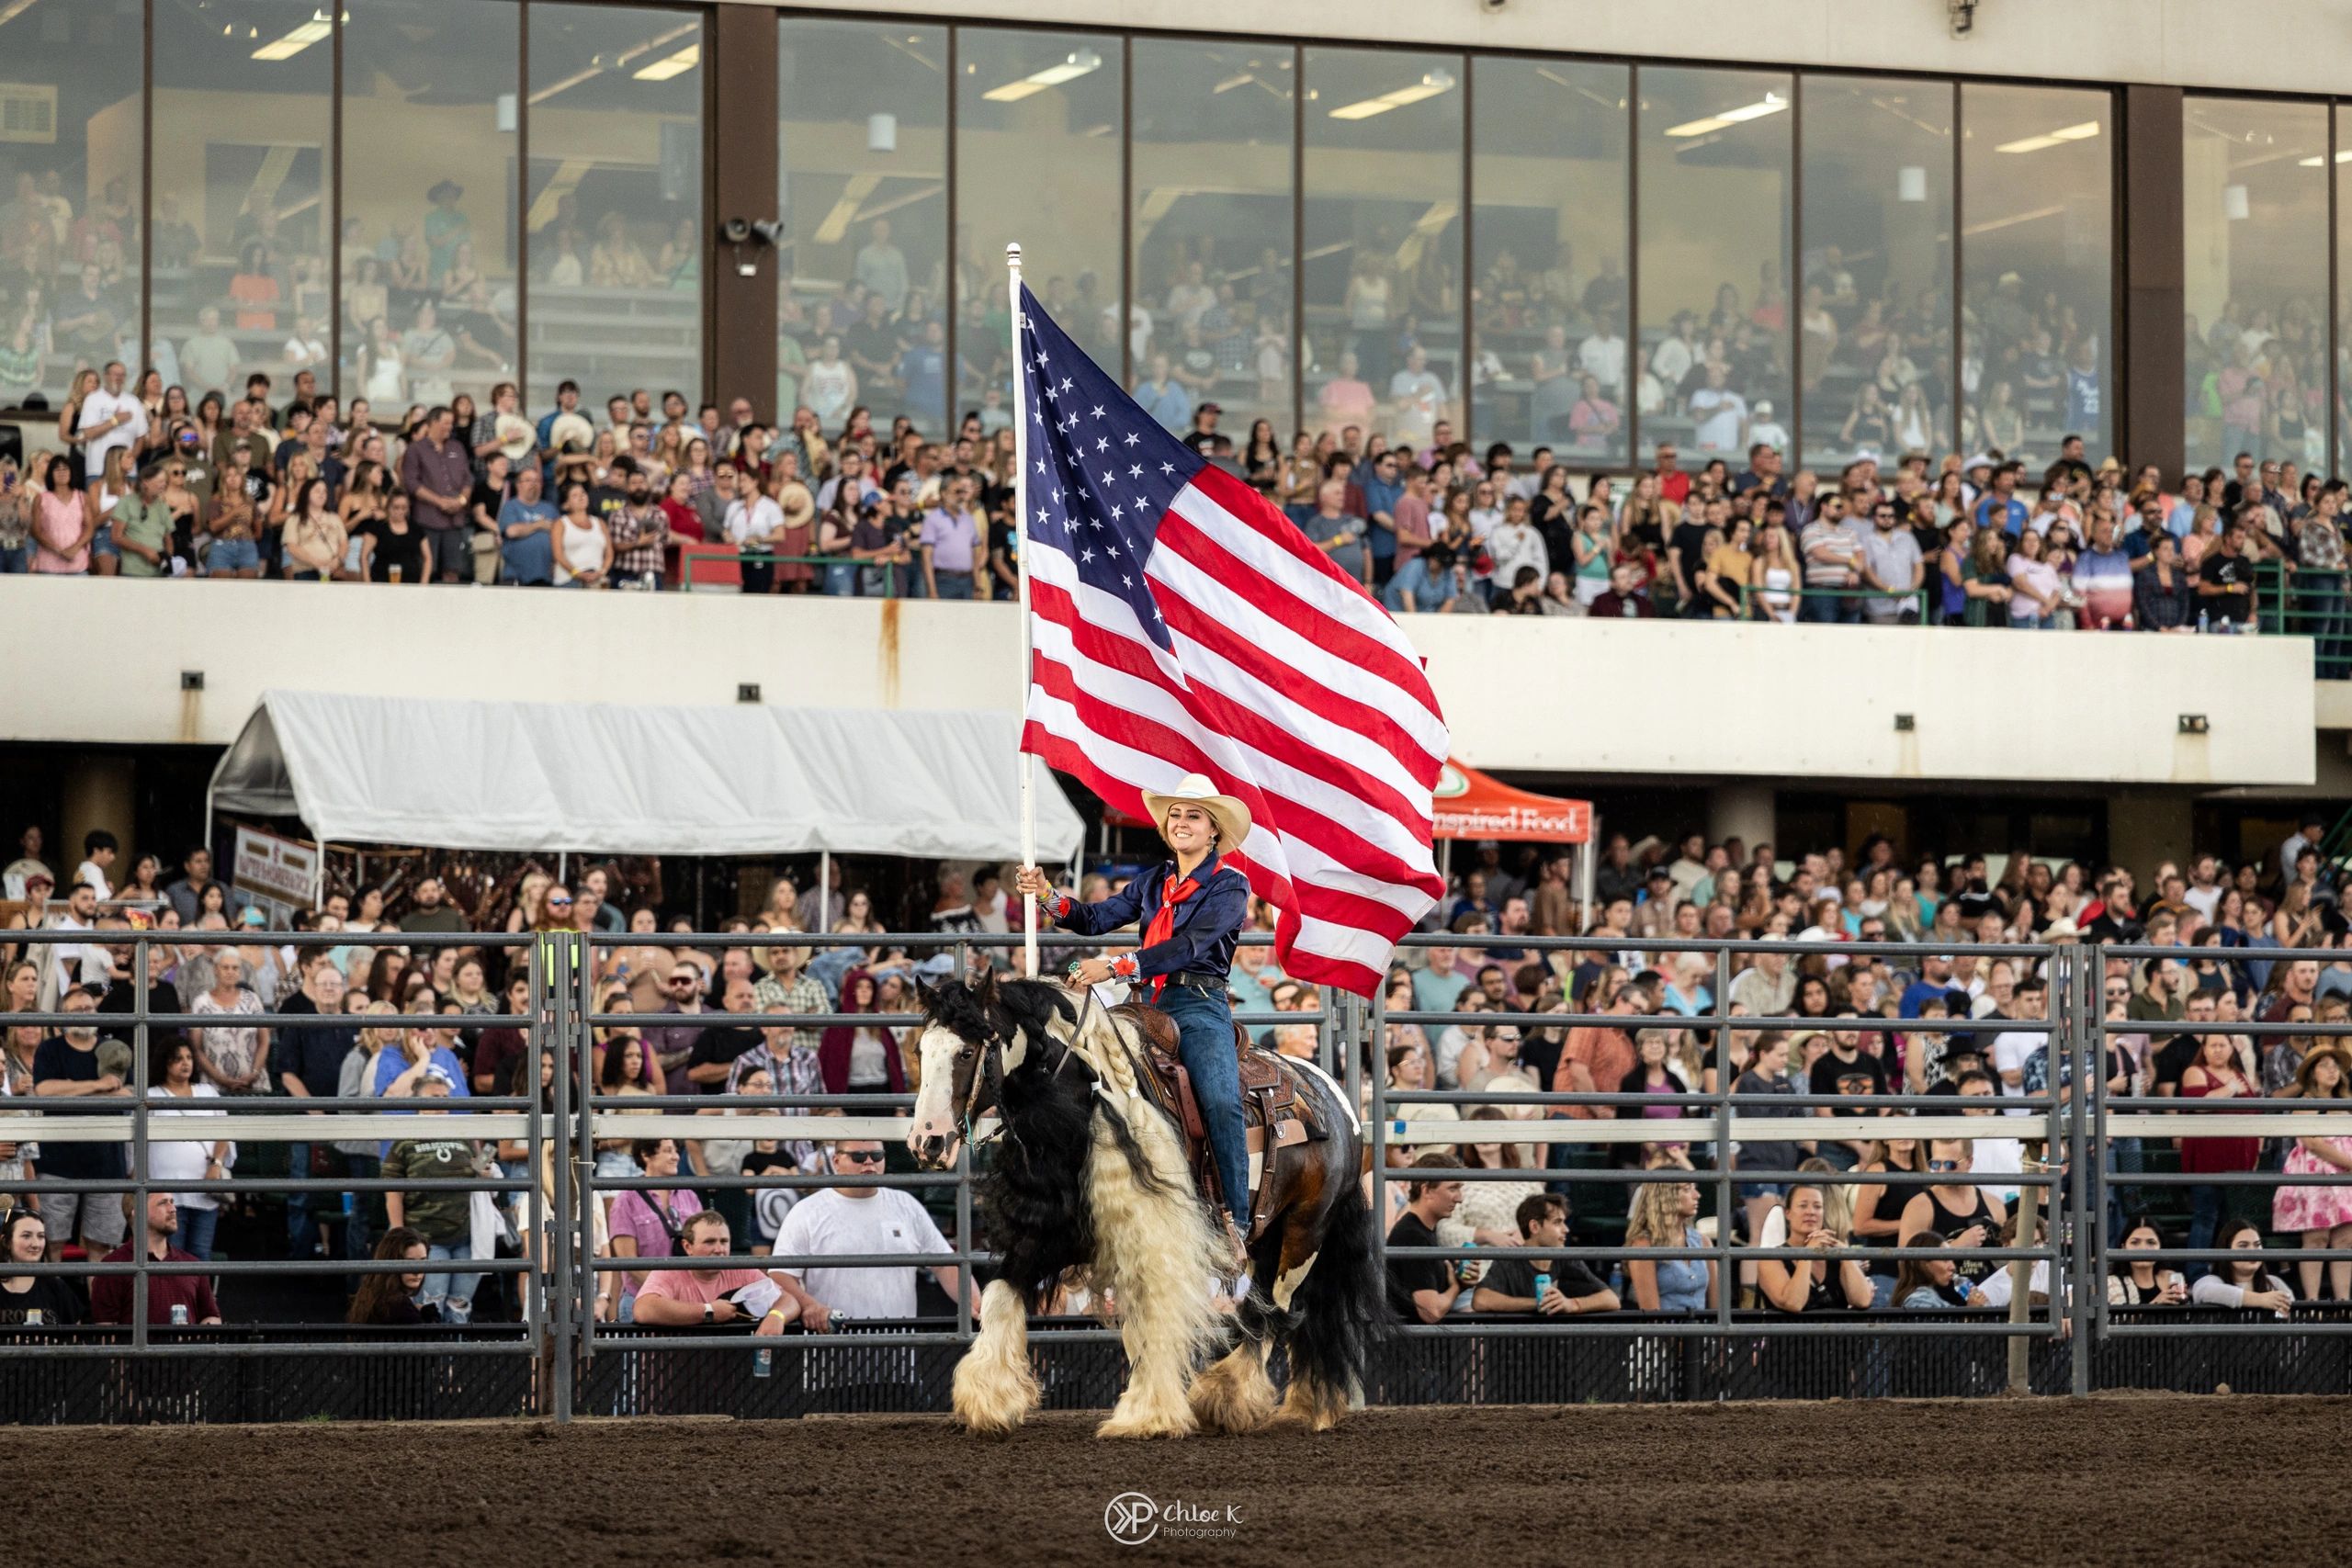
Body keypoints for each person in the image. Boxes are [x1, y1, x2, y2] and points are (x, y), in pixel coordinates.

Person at [1013, 773, 1255, 1249]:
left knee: (1222, 1101)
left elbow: (1190, 945)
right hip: (1147, 1002)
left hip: (1199, 1002)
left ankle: (1236, 1216)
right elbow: (1093, 919)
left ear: (1213, 832)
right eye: (1176, 816)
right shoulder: (1154, 882)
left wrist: (1119, 966)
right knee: (1086, 1077)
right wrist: (1046, 895)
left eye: (1194, 816)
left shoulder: (1230, 886)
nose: (1182, 823)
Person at [768, 1138, 971, 1329]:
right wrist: (810, 1305)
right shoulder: (807, 1211)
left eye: (876, 1156)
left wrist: (977, 1305)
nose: (868, 1162)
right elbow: (781, 1274)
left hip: (897, 1343)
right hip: (831, 1342)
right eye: (858, 1157)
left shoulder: (906, 1205)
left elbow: (945, 1263)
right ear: (836, 1161)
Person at [31, 987, 130, 1261]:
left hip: (107, 1163)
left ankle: (98, 1305)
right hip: (57, 1163)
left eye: (89, 1008)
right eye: (77, 1010)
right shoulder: (50, 1049)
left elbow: (128, 1092)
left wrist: (75, 1090)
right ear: (63, 1017)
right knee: (50, 1244)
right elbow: (45, 1090)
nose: (86, 1014)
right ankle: (56, 1305)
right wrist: (98, 1086)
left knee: (102, 1247)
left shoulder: (113, 1050)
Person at [381, 1064, 486, 1323]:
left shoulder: (462, 1136)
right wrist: (398, 1234)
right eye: (434, 1097)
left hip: (468, 1238)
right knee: (431, 1308)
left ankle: (454, 1362)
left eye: (445, 1098)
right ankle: (433, 1363)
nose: (441, 1103)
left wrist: (487, 1161)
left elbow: (481, 1168)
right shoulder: (405, 1141)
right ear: (418, 1102)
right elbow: (393, 1191)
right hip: (427, 1240)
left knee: (460, 1308)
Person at [631, 1209, 800, 1331]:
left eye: (724, 1241)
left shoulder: (742, 1269)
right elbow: (644, 1309)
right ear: (688, 1246)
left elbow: (788, 1300)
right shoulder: (669, 1271)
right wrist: (708, 1311)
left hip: (728, 1375)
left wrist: (776, 1316)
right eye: (710, 1242)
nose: (719, 1249)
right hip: (673, 1377)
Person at [1470, 1191, 1619, 1316]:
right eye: (1557, 1222)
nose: (1566, 1229)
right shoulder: (1509, 1260)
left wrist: (1571, 1304)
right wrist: (1540, 1302)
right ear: (1534, 1227)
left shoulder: (1566, 1259)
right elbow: (1481, 1300)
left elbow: (1612, 1300)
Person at [91, 1193, 222, 1325]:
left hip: (185, 1346)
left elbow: (211, 1316)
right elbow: (105, 1331)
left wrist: (198, 1339)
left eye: (172, 1202)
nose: (173, 1209)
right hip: (135, 1346)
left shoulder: (192, 1264)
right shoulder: (113, 1266)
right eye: (163, 1203)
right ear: (138, 1213)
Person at [1757, 1178, 1872, 1312]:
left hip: (1836, 1331)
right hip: (1791, 1332)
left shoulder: (1835, 1255)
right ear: (1787, 1213)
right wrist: (1808, 1253)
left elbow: (1862, 1300)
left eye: (1817, 1206)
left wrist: (1845, 1256)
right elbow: (1794, 1303)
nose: (1811, 1212)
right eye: (1803, 1205)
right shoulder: (1770, 1259)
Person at [1385, 1153, 1466, 1324]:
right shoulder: (1412, 1235)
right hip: (1411, 1345)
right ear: (1426, 1190)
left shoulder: (1422, 1230)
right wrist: (1457, 1287)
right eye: (1453, 1188)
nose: (1460, 1198)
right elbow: (1431, 1312)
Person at [1623, 1174, 1716, 1313]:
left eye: (1694, 1188)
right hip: (1666, 1331)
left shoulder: (1703, 1242)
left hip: (1703, 1331)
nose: (1697, 1195)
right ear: (1665, 1197)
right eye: (1687, 1189)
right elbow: (1652, 1316)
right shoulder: (1643, 1246)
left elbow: (1719, 1310)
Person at [2188, 1218, 2294, 1315]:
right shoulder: (2212, 1280)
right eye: (2243, 1245)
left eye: (2257, 1245)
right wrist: (2261, 1299)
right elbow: (2205, 1291)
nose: (2253, 1251)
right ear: (2226, 1250)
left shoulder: (2274, 1283)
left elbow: (2294, 1320)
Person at [0, 1210, 82, 1324]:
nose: (36, 1244)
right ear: (6, 1242)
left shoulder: (56, 1287)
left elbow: (76, 1336)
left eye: (41, 1236)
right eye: (26, 1236)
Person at [346, 1226, 439, 1325]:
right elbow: (433, 1338)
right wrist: (430, 1315)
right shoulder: (399, 1305)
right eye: (409, 1263)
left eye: (423, 1261)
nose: (417, 1271)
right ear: (391, 1261)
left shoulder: (373, 1294)